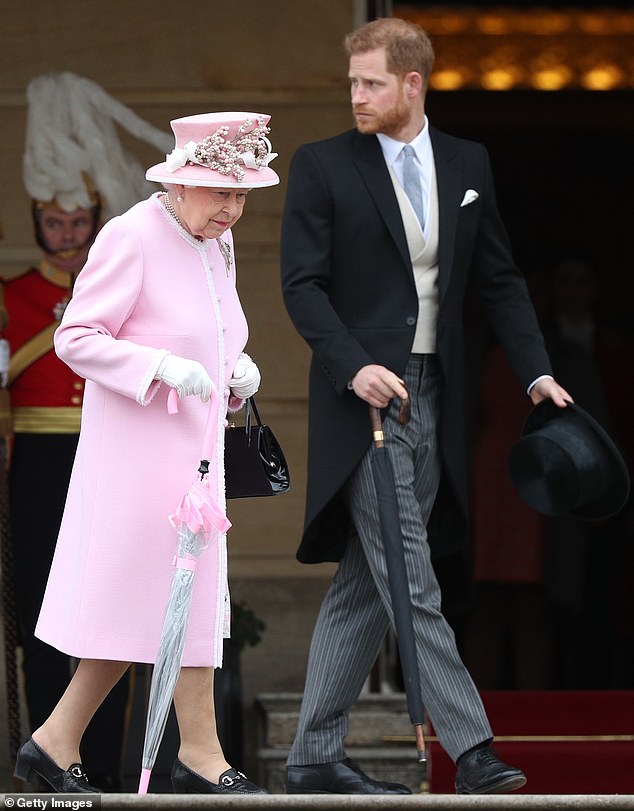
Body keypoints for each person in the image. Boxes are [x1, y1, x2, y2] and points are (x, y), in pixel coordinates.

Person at [280, 18, 572, 795]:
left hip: (438, 388)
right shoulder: (322, 165)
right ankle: (472, 747)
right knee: (409, 573)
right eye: (352, 83)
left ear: (413, 84)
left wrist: (536, 372)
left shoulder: (467, 162)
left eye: (372, 83)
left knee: (366, 584)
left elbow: (500, 281)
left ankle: (311, 755)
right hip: (363, 399)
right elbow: (301, 287)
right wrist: (354, 368)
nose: (357, 97)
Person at [12, 110, 279, 794]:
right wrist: (155, 364)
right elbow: (78, 338)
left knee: (183, 602)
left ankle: (74, 742)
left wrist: (235, 370)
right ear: (182, 181)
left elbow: (214, 336)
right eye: (221, 191)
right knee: (144, 604)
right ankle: (187, 751)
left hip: (194, 457)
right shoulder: (130, 235)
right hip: (135, 457)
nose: (233, 207)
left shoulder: (216, 243)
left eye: (242, 193)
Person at [0, 71, 174, 790]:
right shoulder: (12, 300)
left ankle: (100, 765)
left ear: (97, 218)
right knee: (44, 616)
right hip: (38, 460)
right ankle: (49, 759)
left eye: (79, 224)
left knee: (113, 611)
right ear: (38, 221)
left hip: (107, 454)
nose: (67, 238)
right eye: (55, 224)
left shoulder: (121, 286)